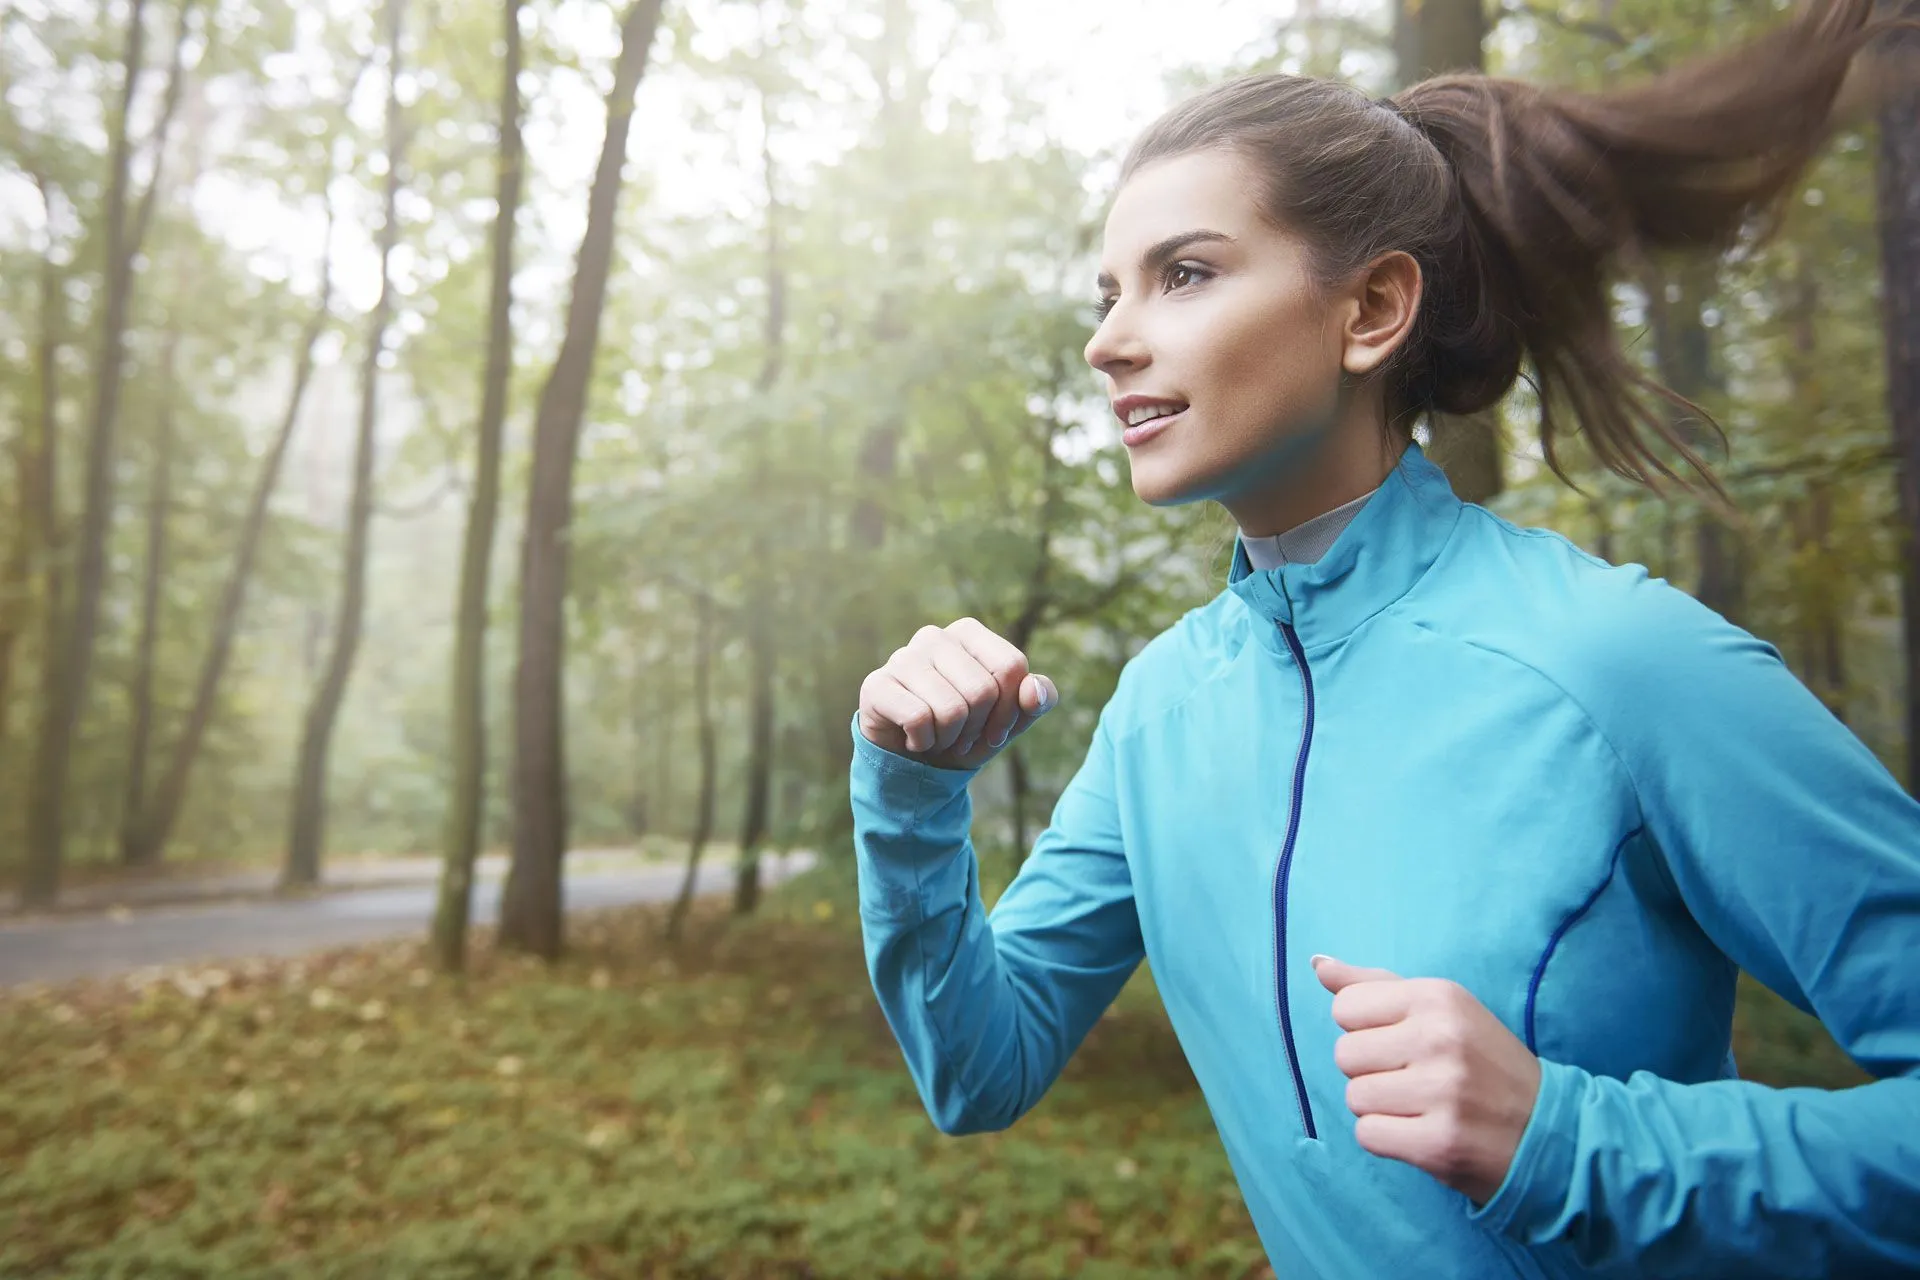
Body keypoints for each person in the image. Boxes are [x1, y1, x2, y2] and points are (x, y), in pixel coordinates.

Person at [848, 2, 1920, 1275]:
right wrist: (911, 798)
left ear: (1371, 310)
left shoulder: (1620, 664)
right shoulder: (1162, 709)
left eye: (1183, 273)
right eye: (1108, 291)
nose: (1107, 339)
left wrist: (1571, 1139)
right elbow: (982, 1064)